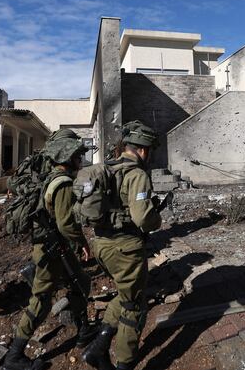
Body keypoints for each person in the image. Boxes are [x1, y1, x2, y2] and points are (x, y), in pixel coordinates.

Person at [4, 136, 97, 370]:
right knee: (41, 301)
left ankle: (84, 331)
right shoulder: (63, 183)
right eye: (78, 156)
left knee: (81, 283)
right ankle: (14, 356)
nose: (81, 160)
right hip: (51, 248)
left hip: (56, 246)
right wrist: (82, 242)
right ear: (69, 158)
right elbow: (66, 224)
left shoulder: (52, 177)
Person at [82, 121, 162, 370]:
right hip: (125, 247)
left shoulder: (109, 168)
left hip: (102, 245)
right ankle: (124, 363)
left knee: (124, 292)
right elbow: (143, 219)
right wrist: (156, 219)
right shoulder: (137, 174)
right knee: (133, 305)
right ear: (144, 150)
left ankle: (98, 347)